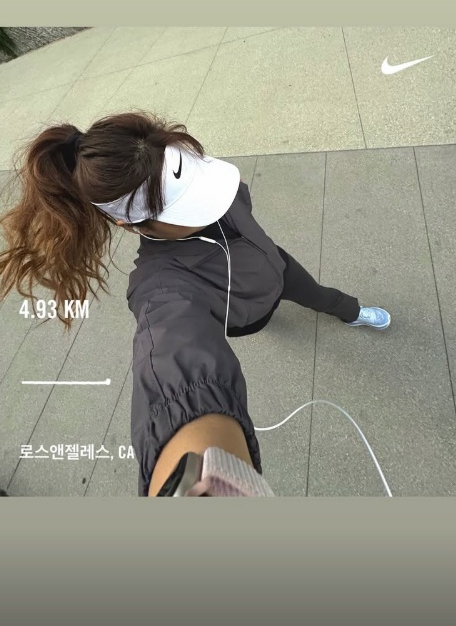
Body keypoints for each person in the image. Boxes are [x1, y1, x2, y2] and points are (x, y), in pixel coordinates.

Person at [0, 111, 391, 497]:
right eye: (185, 205)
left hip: (277, 265)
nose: (210, 202)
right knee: (276, 311)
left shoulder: (209, 183)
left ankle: (351, 311)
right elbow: (174, 360)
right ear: (129, 224)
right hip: (247, 312)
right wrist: (198, 480)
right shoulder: (160, 286)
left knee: (321, 295)